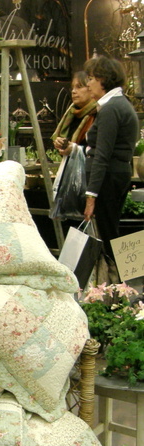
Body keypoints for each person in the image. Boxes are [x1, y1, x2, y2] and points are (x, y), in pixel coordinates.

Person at [82, 56, 139, 281]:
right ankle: (121, 283)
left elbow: (102, 155)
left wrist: (91, 195)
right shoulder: (118, 105)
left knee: (109, 234)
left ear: (104, 79)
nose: (88, 84)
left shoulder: (111, 108)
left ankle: (117, 285)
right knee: (112, 230)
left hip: (108, 177)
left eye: (91, 78)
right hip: (116, 174)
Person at [52, 71, 97, 155]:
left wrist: (74, 150)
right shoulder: (71, 113)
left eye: (79, 87)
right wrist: (61, 144)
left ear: (91, 88)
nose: (73, 91)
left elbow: (98, 149)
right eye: (72, 88)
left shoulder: (98, 112)